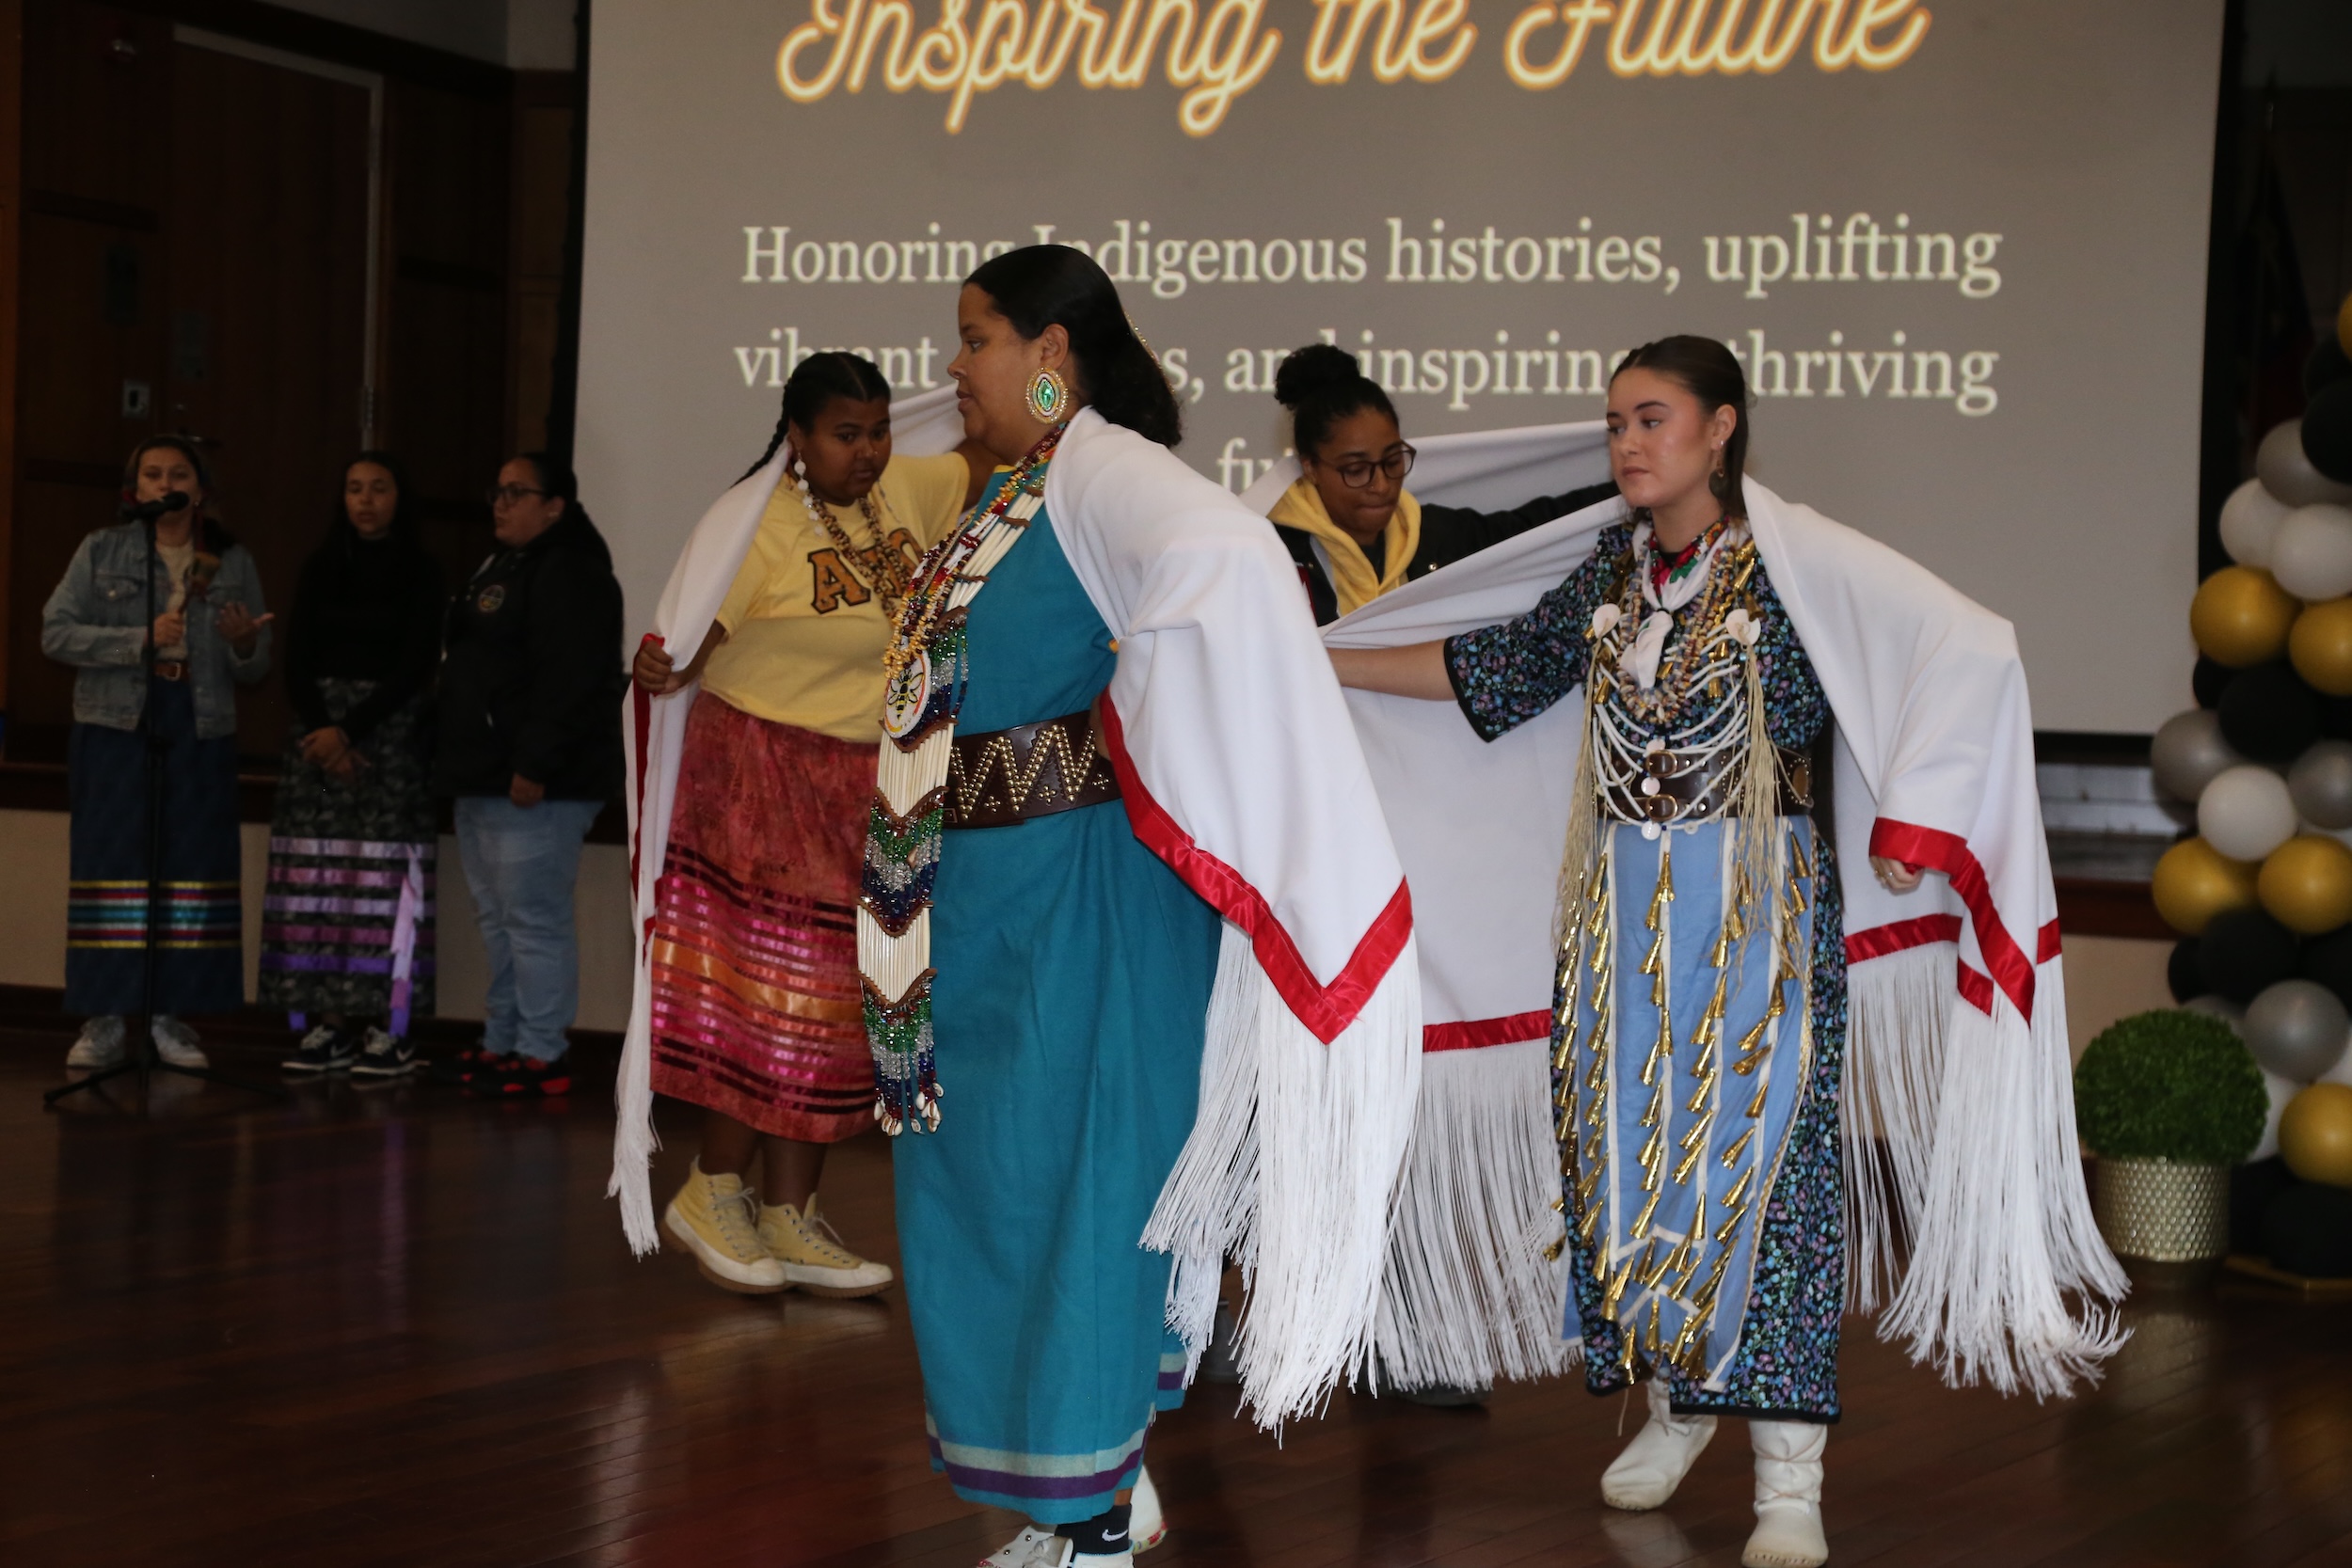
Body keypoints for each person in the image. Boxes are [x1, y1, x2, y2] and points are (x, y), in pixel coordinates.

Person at [1331, 336, 2122, 1568]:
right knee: (1636, 1167)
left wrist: (1913, 818)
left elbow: (1955, 646)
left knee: (1772, 1178)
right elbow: (1489, 673)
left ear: (1722, 428)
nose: (1628, 442)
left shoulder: (1795, 571)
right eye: (1613, 423)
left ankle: (1787, 1467)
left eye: (1652, 417)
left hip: (1757, 920)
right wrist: (1314, 663)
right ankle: (1678, 1399)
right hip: (1619, 928)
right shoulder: (1612, 572)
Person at [836, 246, 1423, 1568]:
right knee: (988, 1189)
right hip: (979, 903)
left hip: (1079, 901)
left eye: (975, 338)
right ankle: (1092, 1485)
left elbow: (1226, 564)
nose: (955, 364)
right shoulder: (1017, 493)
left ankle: (1090, 1514)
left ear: (1051, 353)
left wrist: (1160, 742)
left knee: (1080, 1189)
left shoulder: (1106, 476)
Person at [625, 352, 980, 1298]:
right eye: (844, 435)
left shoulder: (904, 489)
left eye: (877, 432)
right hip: (761, 776)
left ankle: (787, 1212)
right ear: (796, 437)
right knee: (771, 997)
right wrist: (662, 667)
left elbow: (994, 459)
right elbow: (689, 635)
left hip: (862, 779)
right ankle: (711, 1186)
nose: (867, 454)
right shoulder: (757, 525)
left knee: (835, 1003)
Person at [42, 436, 271, 1070]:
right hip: (117, 723)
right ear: (135, 488)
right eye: (152, 473)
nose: (164, 481)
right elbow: (54, 630)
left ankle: (172, 1017)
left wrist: (243, 643)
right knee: (111, 868)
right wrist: (136, 638)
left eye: (178, 473)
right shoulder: (102, 549)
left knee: (191, 868)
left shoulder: (230, 559)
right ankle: (106, 1016)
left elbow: (255, 667)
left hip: (199, 725)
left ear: (199, 489)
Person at [434, 453, 624, 1098]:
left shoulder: (574, 574)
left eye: (517, 493)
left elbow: (569, 681)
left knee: (532, 921)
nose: (501, 502)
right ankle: (504, 1040)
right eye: (499, 490)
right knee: (496, 918)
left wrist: (534, 763)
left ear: (555, 507)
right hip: (483, 773)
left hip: (539, 782)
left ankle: (544, 1049)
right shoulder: (502, 565)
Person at [262, 453, 446, 1077]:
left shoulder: (423, 571)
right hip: (316, 737)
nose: (365, 500)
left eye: (379, 488)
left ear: (401, 497)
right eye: (354, 489)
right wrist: (323, 730)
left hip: (387, 735)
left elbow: (416, 662)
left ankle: (389, 1029)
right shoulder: (321, 565)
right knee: (321, 885)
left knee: (383, 886)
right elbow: (295, 658)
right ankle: (328, 1025)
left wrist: (350, 731)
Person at [1267, 342, 1618, 625]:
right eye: (1356, 469)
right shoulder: (1271, 553)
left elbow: (1542, 526)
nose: (1381, 485)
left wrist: (1634, 492)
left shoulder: (1438, 537)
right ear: (1310, 466)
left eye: (1392, 461)